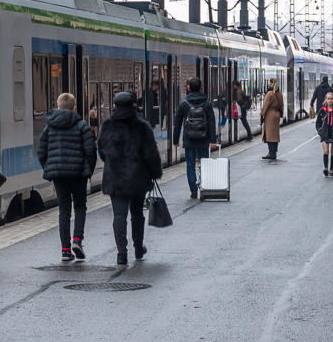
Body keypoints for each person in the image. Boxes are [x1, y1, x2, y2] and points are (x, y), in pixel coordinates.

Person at [97, 92, 163, 265]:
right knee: (137, 214)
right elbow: (151, 154)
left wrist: (112, 164)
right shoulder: (142, 127)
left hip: (115, 178)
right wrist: (155, 173)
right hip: (137, 178)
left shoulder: (107, 126)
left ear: (115, 107)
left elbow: (102, 150)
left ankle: (121, 253)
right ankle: (138, 247)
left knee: (119, 215)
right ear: (134, 106)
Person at [37, 92, 97, 262]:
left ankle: (65, 250)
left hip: (59, 175)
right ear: (74, 108)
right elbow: (91, 150)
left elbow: (41, 151)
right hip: (78, 174)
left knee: (64, 210)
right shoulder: (82, 125)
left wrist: (49, 167)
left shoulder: (49, 127)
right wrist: (88, 171)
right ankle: (77, 240)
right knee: (80, 206)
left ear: (58, 106)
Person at [172, 77, 218, 198]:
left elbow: (177, 123)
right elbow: (212, 122)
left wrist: (175, 140)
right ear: (201, 88)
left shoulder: (184, 104)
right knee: (205, 164)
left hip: (189, 139)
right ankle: (204, 187)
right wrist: (213, 140)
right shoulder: (207, 103)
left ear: (188, 88)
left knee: (190, 165)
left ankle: (193, 190)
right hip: (204, 139)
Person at [315, 92, 333, 176]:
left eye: (331, 99)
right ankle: (326, 168)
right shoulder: (322, 110)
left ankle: (331, 169)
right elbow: (318, 123)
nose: (330, 100)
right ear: (326, 100)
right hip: (325, 133)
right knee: (326, 151)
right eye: (328, 99)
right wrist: (320, 132)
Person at [260, 78, 284, 160]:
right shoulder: (279, 93)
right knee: (275, 135)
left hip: (270, 115)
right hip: (276, 114)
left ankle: (271, 153)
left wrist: (262, 115)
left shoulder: (269, 93)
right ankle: (274, 152)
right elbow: (282, 105)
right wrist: (281, 114)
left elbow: (265, 105)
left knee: (269, 135)